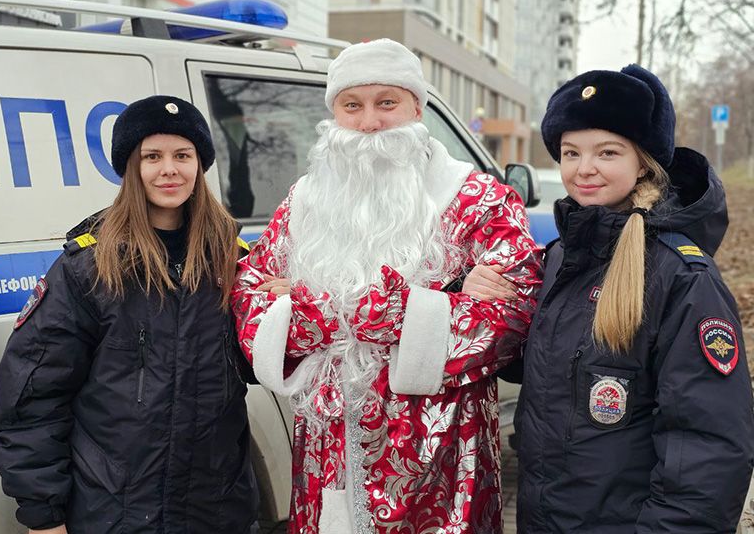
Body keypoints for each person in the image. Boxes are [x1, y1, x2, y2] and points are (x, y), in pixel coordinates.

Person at [232, 38, 543, 533]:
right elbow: (251, 294)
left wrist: (400, 315)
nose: (370, 122)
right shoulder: (305, 199)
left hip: (441, 450)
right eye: (352, 106)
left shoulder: (477, 197)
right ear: (334, 113)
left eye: (387, 103)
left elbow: (515, 308)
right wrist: (321, 315)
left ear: (417, 107)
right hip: (329, 450)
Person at [469, 64, 754, 533]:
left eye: (607, 152)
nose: (584, 169)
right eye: (570, 152)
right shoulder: (561, 257)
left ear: (642, 161)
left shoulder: (682, 277)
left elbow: (707, 448)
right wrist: (472, 293)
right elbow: (538, 363)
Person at [0, 96, 259, 534]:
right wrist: (43, 515)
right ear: (130, 168)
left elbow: (261, 367)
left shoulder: (233, 262)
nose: (169, 169)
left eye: (182, 155)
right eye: (152, 156)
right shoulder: (89, 268)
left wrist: (288, 311)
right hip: (115, 511)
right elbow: (33, 397)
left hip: (216, 508)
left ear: (200, 165)